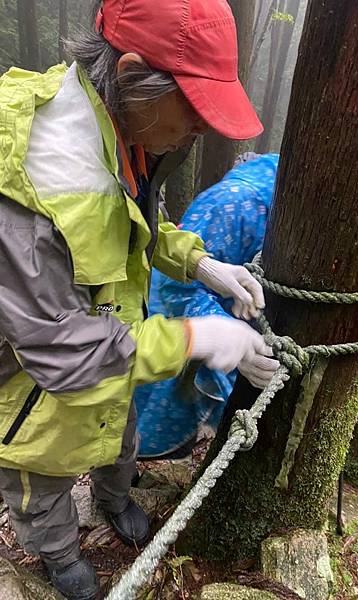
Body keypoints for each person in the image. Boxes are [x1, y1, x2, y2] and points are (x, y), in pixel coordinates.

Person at [0, 1, 279, 598]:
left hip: (115, 355)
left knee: (120, 442)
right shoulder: (34, 177)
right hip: (32, 392)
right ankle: (59, 555)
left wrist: (201, 263)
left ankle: (114, 499)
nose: (203, 126)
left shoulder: (120, 132)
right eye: (196, 106)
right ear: (130, 75)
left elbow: (134, 224)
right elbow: (59, 353)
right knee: (40, 484)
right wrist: (195, 339)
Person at [136, 153, 280, 458]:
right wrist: (220, 334)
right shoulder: (233, 205)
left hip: (219, 321)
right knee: (149, 417)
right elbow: (173, 286)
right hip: (171, 326)